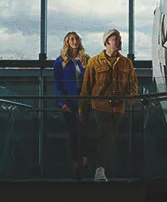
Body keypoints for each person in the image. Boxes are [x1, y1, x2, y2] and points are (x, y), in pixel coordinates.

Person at [79, 29, 138, 182]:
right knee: (107, 134)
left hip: (118, 107)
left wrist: (132, 95)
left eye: (120, 39)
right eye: (116, 39)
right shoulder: (94, 62)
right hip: (100, 106)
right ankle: (100, 170)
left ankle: (99, 168)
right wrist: (82, 109)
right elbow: (87, 86)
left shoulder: (126, 62)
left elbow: (133, 82)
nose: (120, 41)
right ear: (107, 42)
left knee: (109, 137)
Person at [53, 31, 90, 178]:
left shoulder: (85, 60)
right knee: (73, 132)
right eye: (71, 39)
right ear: (67, 42)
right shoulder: (60, 61)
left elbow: (91, 81)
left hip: (83, 101)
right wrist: (62, 102)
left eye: (77, 39)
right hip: (68, 102)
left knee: (85, 131)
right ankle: (75, 163)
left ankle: (85, 159)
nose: (75, 41)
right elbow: (58, 84)